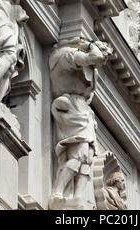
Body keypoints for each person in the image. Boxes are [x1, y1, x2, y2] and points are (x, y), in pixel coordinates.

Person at [49, 38, 113, 202]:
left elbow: (90, 95)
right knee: (78, 155)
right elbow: (96, 57)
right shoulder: (67, 55)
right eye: (103, 51)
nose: (104, 57)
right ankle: (58, 193)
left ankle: (77, 198)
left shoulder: (92, 70)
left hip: (84, 112)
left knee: (87, 159)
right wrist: (91, 45)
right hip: (72, 109)